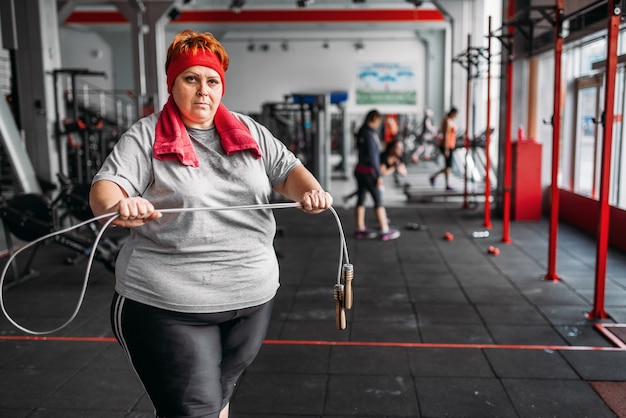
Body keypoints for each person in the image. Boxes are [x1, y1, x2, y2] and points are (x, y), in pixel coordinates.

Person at [89, 29, 332, 418]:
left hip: (252, 300)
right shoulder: (145, 136)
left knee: (217, 402)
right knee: (196, 410)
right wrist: (119, 205)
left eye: (212, 81)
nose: (203, 90)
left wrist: (311, 191)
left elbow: (288, 172)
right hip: (168, 305)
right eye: (191, 79)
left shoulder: (249, 130)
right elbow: (106, 190)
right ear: (173, 84)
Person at [352, 110, 400, 241]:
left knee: (361, 198)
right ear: (374, 119)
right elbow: (373, 157)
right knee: (378, 199)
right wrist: (378, 175)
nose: (378, 124)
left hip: (359, 169)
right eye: (378, 121)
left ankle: (359, 228)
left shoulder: (362, 131)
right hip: (369, 172)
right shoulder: (370, 134)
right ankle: (384, 230)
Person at [342, 139, 407, 205]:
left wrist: (398, 168)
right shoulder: (384, 156)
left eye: (401, 148)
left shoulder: (399, 158)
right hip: (368, 174)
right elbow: (383, 172)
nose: (400, 150)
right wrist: (394, 167)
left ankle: (348, 198)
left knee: (363, 191)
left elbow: (403, 172)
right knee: (372, 194)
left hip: (375, 176)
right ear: (391, 148)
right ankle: (380, 209)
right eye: (397, 148)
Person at [429, 107, 458, 191]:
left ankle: (444, 182)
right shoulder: (447, 121)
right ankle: (435, 177)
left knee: (448, 167)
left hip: (449, 145)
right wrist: (446, 149)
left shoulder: (447, 120)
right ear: (452, 113)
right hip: (447, 146)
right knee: (448, 167)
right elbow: (445, 136)